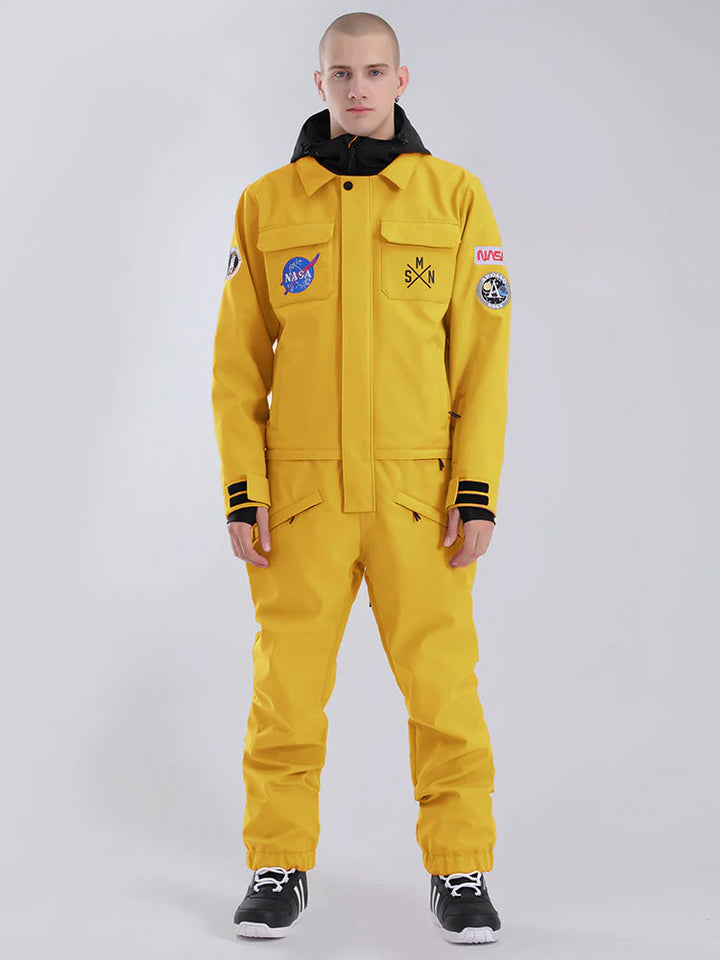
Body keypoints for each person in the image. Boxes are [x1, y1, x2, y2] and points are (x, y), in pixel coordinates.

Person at [211, 11, 511, 945]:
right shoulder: (267, 204)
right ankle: (278, 865)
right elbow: (236, 366)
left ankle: (460, 870)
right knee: (287, 693)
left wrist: (476, 490)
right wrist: (243, 490)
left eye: (375, 71)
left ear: (401, 80)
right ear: (320, 83)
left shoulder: (454, 197)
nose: (358, 88)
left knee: (443, 690)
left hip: (419, 500)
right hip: (300, 501)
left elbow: (483, 359)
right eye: (342, 73)